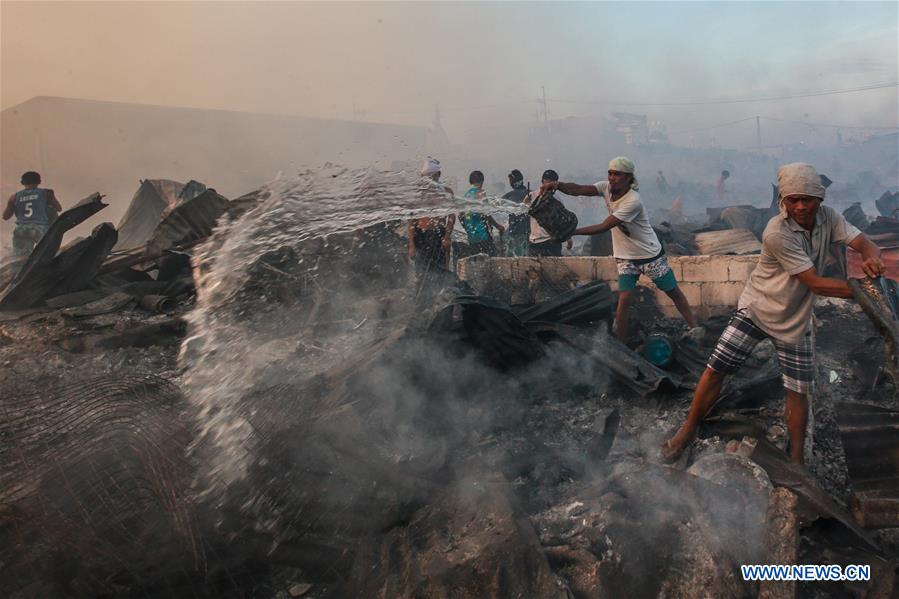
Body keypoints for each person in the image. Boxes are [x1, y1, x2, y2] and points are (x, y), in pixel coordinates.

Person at [661, 163, 884, 464]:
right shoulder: (776, 232)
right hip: (759, 308)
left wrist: (872, 258)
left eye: (808, 198)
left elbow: (863, 242)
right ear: (783, 201)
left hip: (795, 318)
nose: (801, 206)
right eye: (793, 200)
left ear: (819, 198)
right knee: (717, 370)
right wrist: (866, 291)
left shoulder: (830, 218)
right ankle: (687, 430)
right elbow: (815, 283)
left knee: (797, 392)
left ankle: (796, 463)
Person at [540, 157, 697, 341]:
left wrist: (572, 232)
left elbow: (604, 226)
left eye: (617, 174)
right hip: (625, 257)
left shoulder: (633, 201)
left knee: (672, 291)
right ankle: (620, 343)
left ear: (628, 178)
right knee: (624, 300)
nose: (612, 178)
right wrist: (557, 185)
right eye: (610, 173)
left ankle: (694, 328)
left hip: (650, 255)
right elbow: (580, 189)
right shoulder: (605, 188)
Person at [407, 157, 455, 272]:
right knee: (421, 271)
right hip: (421, 236)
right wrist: (412, 244)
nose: (429, 179)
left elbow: (452, 216)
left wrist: (447, 237)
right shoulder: (418, 194)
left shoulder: (446, 192)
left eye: (432, 175)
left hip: (439, 235)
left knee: (441, 270)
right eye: (426, 176)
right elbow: (411, 221)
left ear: (438, 174)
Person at [3, 171, 62, 256]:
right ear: (39, 181)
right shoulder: (47, 193)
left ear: (22, 183)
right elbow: (59, 208)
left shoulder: (14, 197)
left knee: (21, 259)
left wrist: (14, 206)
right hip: (40, 228)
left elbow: (5, 217)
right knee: (45, 256)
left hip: (21, 230)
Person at [525, 169, 572, 257]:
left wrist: (568, 238)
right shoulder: (531, 196)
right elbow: (523, 210)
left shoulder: (557, 199)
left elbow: (561, 221)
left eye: (551, 183)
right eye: (547, 181)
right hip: (535, 241)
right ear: (542, 181)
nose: (548, 185)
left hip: (550, 241)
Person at [459, 170, 504, 256]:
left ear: (470, 181)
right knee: (490, 258)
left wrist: (468, 229)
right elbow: (485, 213)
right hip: (483, 235)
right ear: (482, 181)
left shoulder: (465, 196)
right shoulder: (481, 193)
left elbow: (460, 216)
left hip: (472, 237)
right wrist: (497, 226)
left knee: (477, 260)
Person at [502, 169, 530, 257]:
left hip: (515, 232)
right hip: (529, 233)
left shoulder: (508, 196)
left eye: (510, 180)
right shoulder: (531, 193)